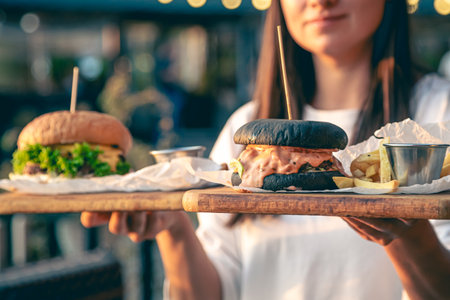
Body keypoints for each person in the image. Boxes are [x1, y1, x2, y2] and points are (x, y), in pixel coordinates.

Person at [81, 0, 450, 299]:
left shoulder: (437, 117)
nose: (321, 1)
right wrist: (173, 227)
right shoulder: (245, 134)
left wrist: (407, 231)